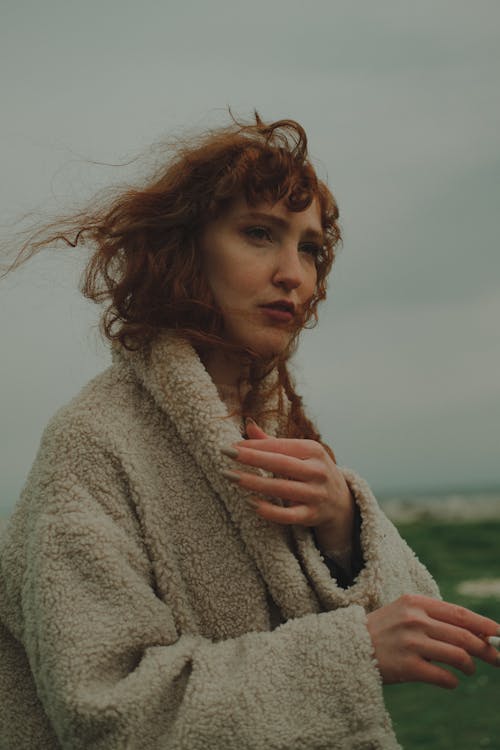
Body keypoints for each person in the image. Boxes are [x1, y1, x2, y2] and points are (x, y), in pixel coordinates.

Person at [0, 113, 498, 750]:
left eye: (310, 248)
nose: (293, 272)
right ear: (184, 251)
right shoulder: (93, 443)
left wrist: (343, 522)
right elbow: (108, 713)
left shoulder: (271, 427)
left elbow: (412, 616)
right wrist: (351, 654)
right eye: (259, 234)